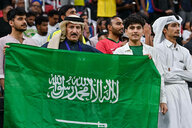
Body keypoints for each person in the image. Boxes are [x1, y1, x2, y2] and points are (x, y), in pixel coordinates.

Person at [114, 14, 167, 116]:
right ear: (126, 31)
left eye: (138, 28)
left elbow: (159, 76)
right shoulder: (118, 52)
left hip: (147, 96)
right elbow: (115, 76)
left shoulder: (152, 52)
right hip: (126, 97)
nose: (135, 31)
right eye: (131, 28)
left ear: (143, 31)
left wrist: (162, 99)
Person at [153, 15, 192, 128]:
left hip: (184, 91)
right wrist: (183, 73)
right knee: (171, 124)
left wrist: (174, 71)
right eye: (173, 25)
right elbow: (163, 76)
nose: (177, 28)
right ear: (164, 30)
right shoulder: (158, 49)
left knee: (186, 123)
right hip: (167, 91)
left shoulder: (184, 51)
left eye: (178, 26)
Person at [0, 7, 37, 90]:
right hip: (12, 87)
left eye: (25, 19)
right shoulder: (2, 42)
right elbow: (0, 71)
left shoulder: (32, 43)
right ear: (11, 22)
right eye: (20, 19)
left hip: (30, 87)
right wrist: (5, 88)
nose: (24, 22)